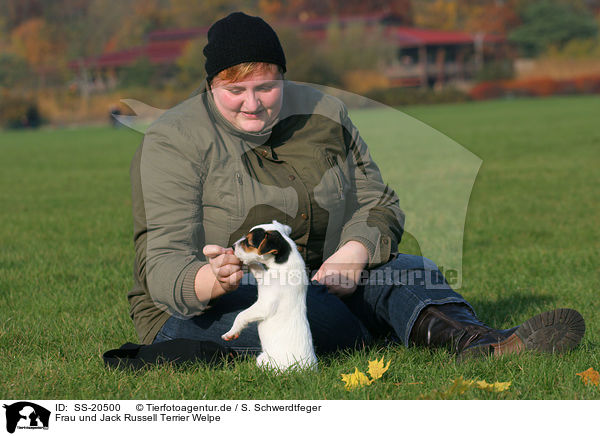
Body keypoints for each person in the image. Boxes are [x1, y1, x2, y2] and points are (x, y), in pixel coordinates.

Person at [127, 12, 584, 362]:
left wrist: (356, 251)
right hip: (195, 308)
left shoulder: (324, 113)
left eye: (266, 87)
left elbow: (376, 201)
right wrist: (210, 279)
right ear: (211, 87)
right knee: (323, 320)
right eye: (235, 91)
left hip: (313, 277)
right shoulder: (173, 141)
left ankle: (480, 343)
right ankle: (385, 323)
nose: (254, 104)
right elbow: (161, 260)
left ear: (283, 76)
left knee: (411, 269)